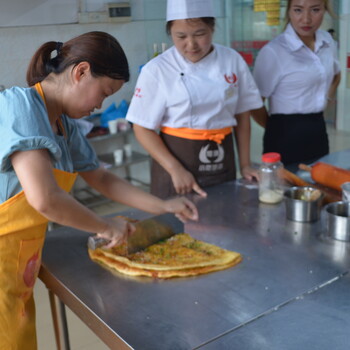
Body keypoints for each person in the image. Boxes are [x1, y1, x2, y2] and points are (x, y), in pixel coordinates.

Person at [0, 31, 199, 350]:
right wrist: (107, 227)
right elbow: (45, 198)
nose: (99, 106)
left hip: (18, 263)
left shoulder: (63, 124)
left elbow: (102, 179)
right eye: (103, 93)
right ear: (81, 72)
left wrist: (162, 207)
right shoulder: (20, 107)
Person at [126, 0, 263, 199]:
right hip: (175, 162)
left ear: (212, 28)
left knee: (224, 216)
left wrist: (245, 165)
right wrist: (175, 170)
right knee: (175, 225)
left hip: (222, 159)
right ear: (170, 33)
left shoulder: (232, 60)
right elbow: (141, 127)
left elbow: (242, 115)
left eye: (200, 34)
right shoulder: (157, 69)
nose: (191, 45)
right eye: (180, 36)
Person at [252, 0, 341, 172]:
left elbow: (336, 73)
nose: (306, 19)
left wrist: (328, 97)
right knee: (283, 191)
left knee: (318, 188)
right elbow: (254, 103)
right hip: (283, 134)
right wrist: (275, 128)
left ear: (325, 10)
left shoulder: (327, 41)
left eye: (315, 10)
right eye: (298, 10)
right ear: (289, 12)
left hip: (318, 129)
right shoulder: (274, 51)